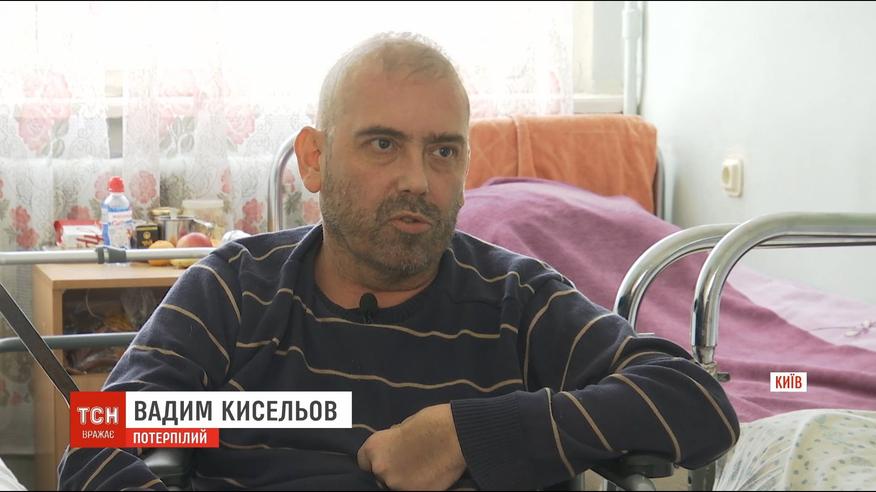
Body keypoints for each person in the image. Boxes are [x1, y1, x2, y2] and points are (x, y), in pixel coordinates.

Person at [59, 32, 738, 491]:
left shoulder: (518, 303)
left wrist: (470, 435)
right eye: (383, 145)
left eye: (443, 151)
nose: (418, 179)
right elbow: (101, 437)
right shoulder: (235, 293)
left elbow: (695, 403)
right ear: (315, 159)